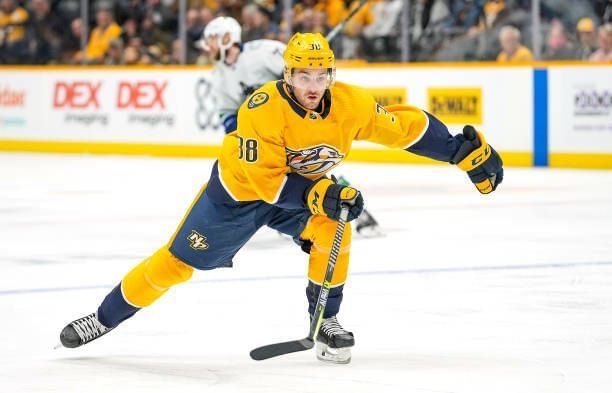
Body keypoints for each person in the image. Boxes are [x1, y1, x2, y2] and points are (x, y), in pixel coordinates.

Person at [59, 32, 503, 364]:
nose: (312, 84)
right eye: (302, 75)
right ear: (286, 74)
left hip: (296, 196)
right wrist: (324, 192)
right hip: (236, 196)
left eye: (321, 75)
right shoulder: (261, 108)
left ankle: (325, 322)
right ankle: (104, 317)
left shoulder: (352, 104)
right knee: (175, 264)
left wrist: (461, 154)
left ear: (332, 75)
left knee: (335, 227)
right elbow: (266, 184)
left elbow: (406, 128)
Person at [199, 16, 380, 235]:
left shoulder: (262, 51)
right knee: (279, 177)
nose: (208, 44)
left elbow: (298, 68)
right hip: (269, 134)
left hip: (295, 122)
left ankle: (357, 211)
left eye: (213, 38)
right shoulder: (219, 74)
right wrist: (244, 133)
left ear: (228, 38)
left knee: (313, 173)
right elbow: (227, 112)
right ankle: (295, 219)